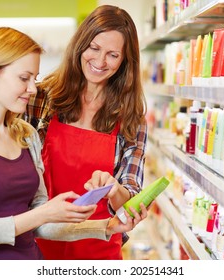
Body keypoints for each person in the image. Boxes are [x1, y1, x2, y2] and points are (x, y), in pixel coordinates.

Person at [0, 26, 147, 260]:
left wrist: (105, 227)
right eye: (24, 78)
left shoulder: (25, 135)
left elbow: (41, 220)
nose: (33, 89)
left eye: (33, 79)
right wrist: (44, 213)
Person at [24, 5, 148, 260]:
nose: (100, 62)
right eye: (94, 48)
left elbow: (131, 195)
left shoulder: (131, 119)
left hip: (98, 250)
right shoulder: (41, 99)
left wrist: (116, 191)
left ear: (125, 60)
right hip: (38, 245)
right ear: (80, 44)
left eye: (113, 54)